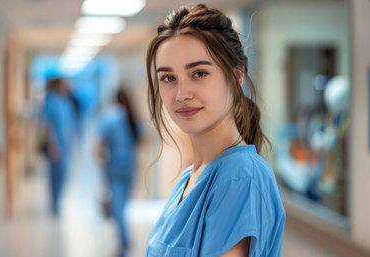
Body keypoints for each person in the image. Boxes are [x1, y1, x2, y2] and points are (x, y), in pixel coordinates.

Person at [145, 4, 285, 257]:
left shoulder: (239, 178)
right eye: (168, 78)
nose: (181, 94)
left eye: (199, 73)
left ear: (235, 77)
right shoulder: (190, 177)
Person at [96, 88, 142, 257]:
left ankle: (124, 242)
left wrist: (101, 162)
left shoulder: (109, 117)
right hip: (130, 166)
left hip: (114, 167)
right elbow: (141, 140)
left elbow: (99, 145)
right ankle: (124, 241)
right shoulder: (131, 115)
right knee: (122, 205)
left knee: (118, 208)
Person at [40, 78, 76, 216]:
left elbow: (69, 123)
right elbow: (46, 126)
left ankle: (57, 201)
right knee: (56, 175)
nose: (68, 87)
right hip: (56, 145)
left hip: (66, 145)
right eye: (65, 85)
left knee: (63, 174)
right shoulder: (51, 102)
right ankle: (54, 203)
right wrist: (52, 145)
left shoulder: (65, 102)